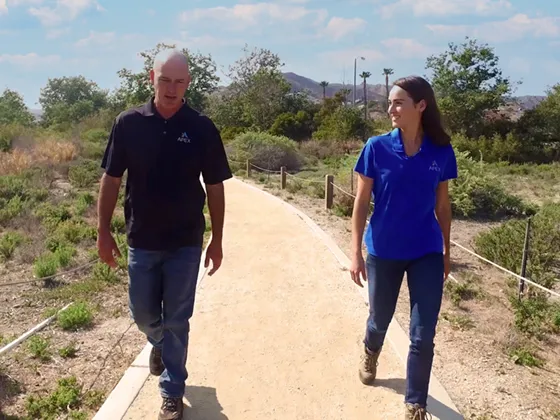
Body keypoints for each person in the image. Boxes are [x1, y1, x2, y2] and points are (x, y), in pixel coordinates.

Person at [96, 49, 232, 420]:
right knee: (142, 313)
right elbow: (111, 178)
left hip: (185, 240)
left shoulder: (202, 126)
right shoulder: (128, 123)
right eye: (164, 80)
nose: (171, 89)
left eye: (179, 81)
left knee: (177, 318)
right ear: (150, 79)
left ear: (188, 82)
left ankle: (172, 389)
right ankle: (158, 343)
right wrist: (103, 231)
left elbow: (216, 185)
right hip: (141, 237)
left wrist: (217, 238)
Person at [350, 75, 457, 420]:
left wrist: (447, 250)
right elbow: (361, 203)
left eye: (398, 103)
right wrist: (355, 252)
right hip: (383, 250)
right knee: (379, 320)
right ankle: (370, 348)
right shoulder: (376, 147)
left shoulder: (441, 151)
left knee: (423, 333)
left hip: (426, 250)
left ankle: (415, 404)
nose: (391, 109)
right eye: (390, 103)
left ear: (420, 106)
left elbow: (443, 205)